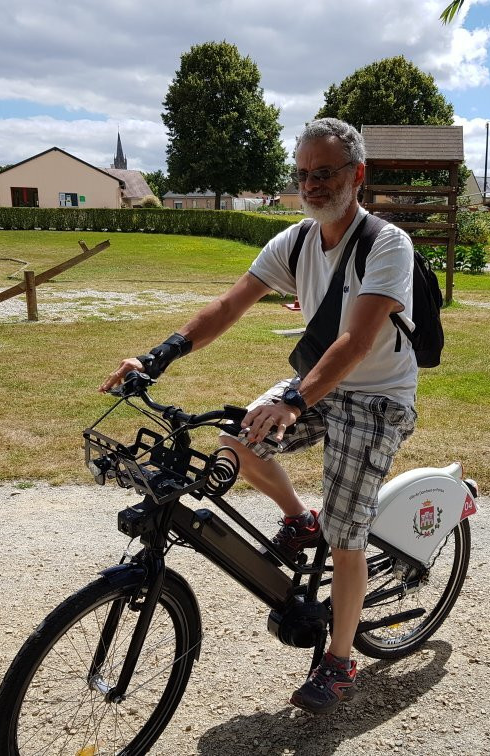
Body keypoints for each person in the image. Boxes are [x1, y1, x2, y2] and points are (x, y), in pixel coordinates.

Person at [100, 117, 418, 715]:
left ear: (358, 175)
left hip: (377, 394)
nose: (312, 185)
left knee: (347, 528)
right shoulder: (294, 241)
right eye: (302, 174)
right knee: (236, 442)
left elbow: (354, 342)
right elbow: (228, 305)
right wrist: (157, 356)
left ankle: (340, 659)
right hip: (318, 384)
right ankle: (299, 520)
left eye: (324, 173)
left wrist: (293, 400)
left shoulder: (387, 244)